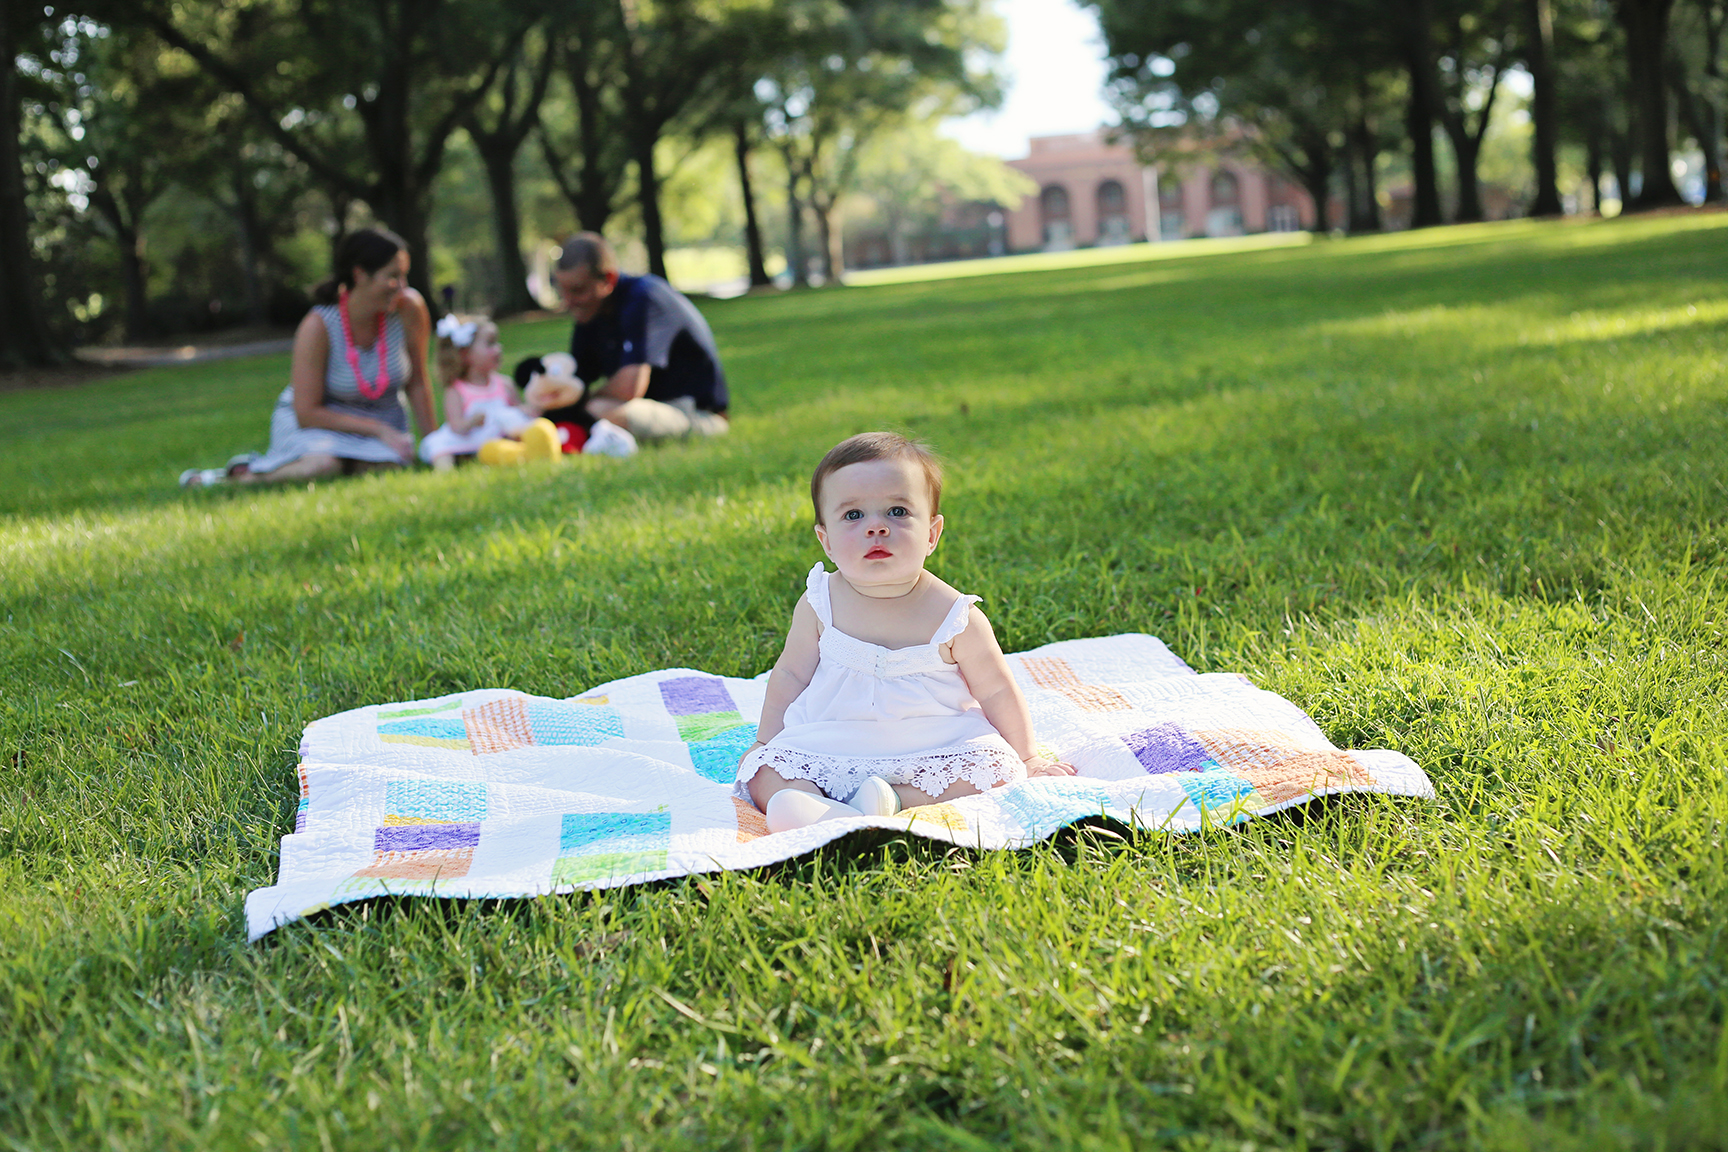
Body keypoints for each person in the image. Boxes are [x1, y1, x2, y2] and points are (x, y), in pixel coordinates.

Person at [736, 432, 1075, 833]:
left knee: (998, 770)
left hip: (933, 744)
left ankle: (889, 800)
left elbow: (996, 690)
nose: (876, 527)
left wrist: (1028, 757)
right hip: (831, 740)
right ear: (825, 541)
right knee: (764, 772)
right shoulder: (819, 603)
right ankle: (808, 802)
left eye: (897, 511)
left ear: (931, 534)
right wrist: (765, 741)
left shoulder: (955, 616)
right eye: (853, 515)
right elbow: (791, 674)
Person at [180, 228, 434, 487]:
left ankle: (313, 463)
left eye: (404, 276)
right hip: (319, 426)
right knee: (324, 466)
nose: (403, 286)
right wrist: (378, 429)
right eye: (393, 276)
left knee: (385, 468)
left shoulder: (408, 309)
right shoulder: (319, 325)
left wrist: (434, 446)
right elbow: (307, 413)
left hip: (383, 426)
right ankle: (232, 479)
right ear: (359, 274)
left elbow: (417, 382)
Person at [541, 232, 729, 441]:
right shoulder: (591, 313)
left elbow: (630, 387)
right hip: (649, 406)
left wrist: (577, 399)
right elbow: (576, 376)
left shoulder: (644, 298)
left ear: (608, 279)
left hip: (696, 413)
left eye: (577, 290)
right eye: (562, 291)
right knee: (575, 411)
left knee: (600, 411)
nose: (568, 302)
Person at [416, 313, 558, 469]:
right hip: (469, 438)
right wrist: (471, 422)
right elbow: (456, 426)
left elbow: (517, 410)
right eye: (490, 344)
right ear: (465, 354)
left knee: (524, 433)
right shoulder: (456, 390)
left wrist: (527, 410)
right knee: (439, 447)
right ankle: (445, 471)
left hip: (498, 436)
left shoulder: (504, 384)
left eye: (497, 342)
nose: (498, 348)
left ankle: (521, 454)